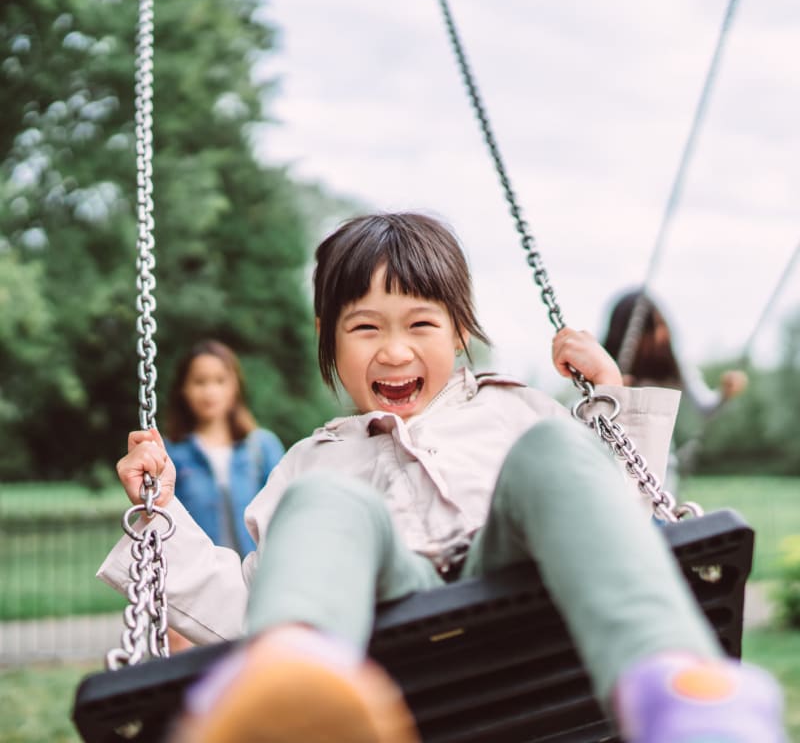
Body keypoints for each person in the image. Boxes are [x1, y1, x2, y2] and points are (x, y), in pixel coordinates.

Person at [99, 212, 785, 743]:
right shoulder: (310, 461)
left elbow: (613, 530)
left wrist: (614, 405)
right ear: (329, 338)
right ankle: (295, 678)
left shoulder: (516, 408)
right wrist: (162, 519)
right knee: (324, 501)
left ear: (458, 331)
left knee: (556, 450)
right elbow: (246, 604)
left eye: (420, 323)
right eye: (364, 327)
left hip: (518, 593)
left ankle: (677, 689)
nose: (394, 350)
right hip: (386, 622)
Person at [602, 289, 748, 493]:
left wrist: (725, 393)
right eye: (650, 329)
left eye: (661, 325)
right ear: (625, 333)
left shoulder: (674, 366)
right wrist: (611, 389)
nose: (660, 335)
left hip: (658, 470)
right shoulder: (606, 366)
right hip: (612, 465)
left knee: (658, 519)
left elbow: (706, 408)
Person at [164, 339, 285, 558]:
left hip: (255, 580)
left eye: (220, 381)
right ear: (183, 389)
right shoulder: (171, 452)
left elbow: (283, 515)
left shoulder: (261, 447)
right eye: (199, 382)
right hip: (198, 579)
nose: (210, 391)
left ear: (234, 386)